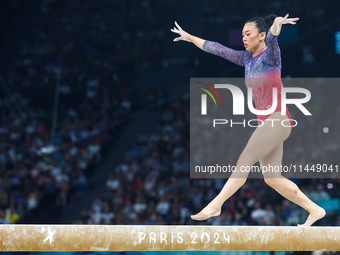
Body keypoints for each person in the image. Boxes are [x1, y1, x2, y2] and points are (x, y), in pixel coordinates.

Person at [171, 14, 326, 226]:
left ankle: (216, 204)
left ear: (261, 35)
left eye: (248, 33)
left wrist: (277, 23)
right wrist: (190, 37)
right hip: (268, 123)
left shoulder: (271, 56)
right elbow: (217, 49)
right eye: (242, 34)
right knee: (272, 178)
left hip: (277, 119)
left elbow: (273, 38)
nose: (243, 38)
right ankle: (315, 209)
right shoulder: (247, 59)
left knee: (244, 161)